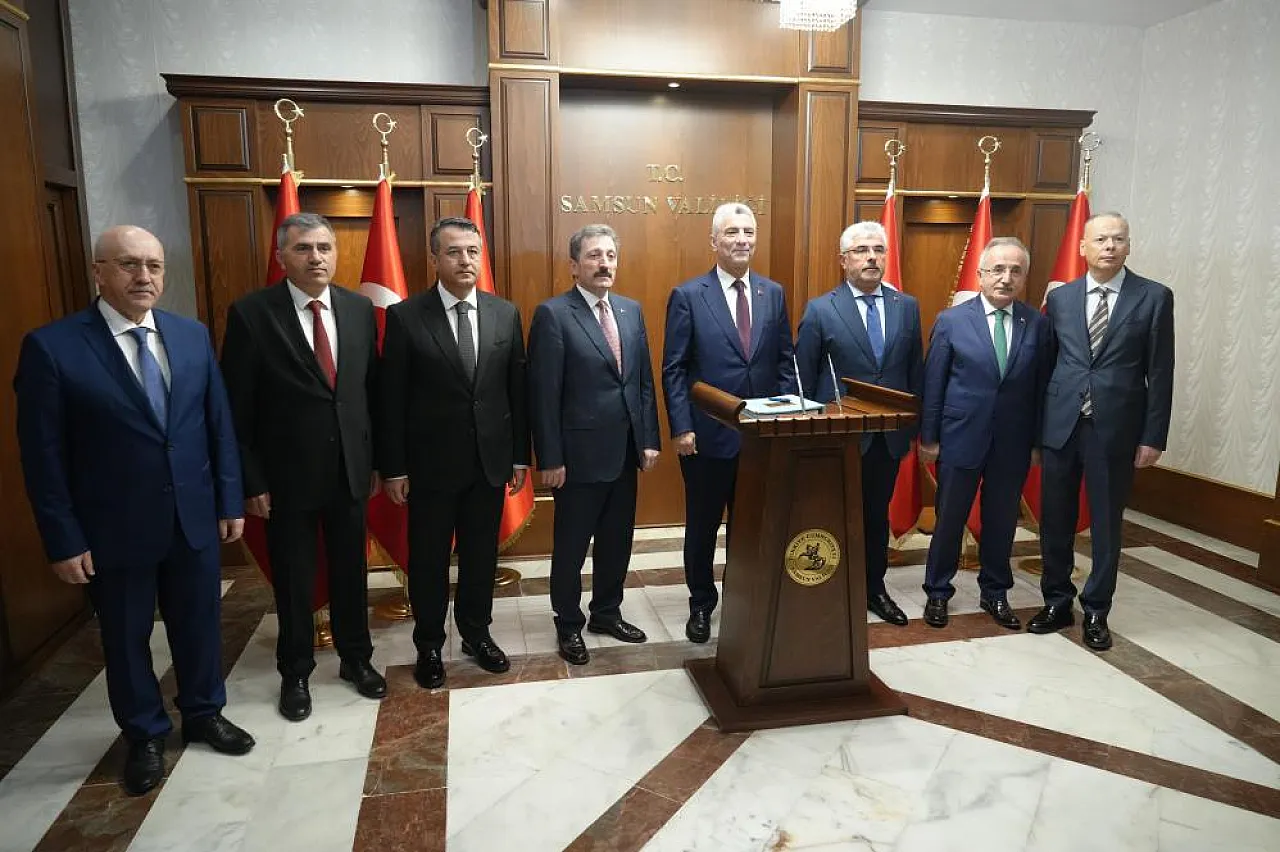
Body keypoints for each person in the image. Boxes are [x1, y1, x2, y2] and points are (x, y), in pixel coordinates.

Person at [14, 225, 254, 797]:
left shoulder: (190, 335)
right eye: (128, 264)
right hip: (112, 527)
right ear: (98, 271)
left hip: (192, 517)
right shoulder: (53, 346)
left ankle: (204, 712)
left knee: (200, 624)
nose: (144, 276)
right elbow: (43, 456)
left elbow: (217, 425)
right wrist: (63, 538)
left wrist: (228, 498)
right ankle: (144, 733)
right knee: (125, 638)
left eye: (154, 265)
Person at [220, 212, 385, 722]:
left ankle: (356, 659)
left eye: (324, 248)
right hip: (285, 479)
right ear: (281, 257)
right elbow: (237, 408)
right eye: (303, 248)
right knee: (294, 579)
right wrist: (251, 480)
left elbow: (370, 393)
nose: (316, 258)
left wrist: (376, 461)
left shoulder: (358, 309)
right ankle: (295, 671)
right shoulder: (252, 314)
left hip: (350, 471)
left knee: (351, 571)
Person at [379, 216, 530, 687]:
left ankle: (476, 634)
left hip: (489, 464)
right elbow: (391, 400)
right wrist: (394, 467)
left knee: (481, 558)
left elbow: (516, 391)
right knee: (428, 562)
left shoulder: (505, 313)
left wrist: (519, 456)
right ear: (434, 259)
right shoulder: (405, 316)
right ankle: (428, 643)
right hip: (429, 468)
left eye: (472, 251)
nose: (465, 260)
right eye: (454, 252)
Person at [1031, 212, 1174, 651]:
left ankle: (1096, 610)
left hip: (1116, 429)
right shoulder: (1061, 298)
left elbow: (1161, 372)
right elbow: (1045, 367)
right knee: (1054, 519)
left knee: (1107, 523)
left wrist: (1153, 437)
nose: (1109, 246)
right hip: (1061, 426)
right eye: (1100, 239)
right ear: (1083, 247)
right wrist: (1037, 434)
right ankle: (1057, 601)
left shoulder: (1154, 297)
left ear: (1128, 246)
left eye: (1117, 239)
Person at [662, 202, 796, 643]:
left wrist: (786, 420)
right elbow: (675, 369)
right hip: (705, 438)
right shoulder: (688, 295)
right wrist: (681, 427)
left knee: (751, 526)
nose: (742, 240)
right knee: (702, 528)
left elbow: (784, 362)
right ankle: (702, 604)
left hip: (761, 439)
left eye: (749, 232)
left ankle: (744, 600)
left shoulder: (773, 293)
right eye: (733, 232)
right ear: (714, 241)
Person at [528, 225, 661, 665]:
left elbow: (642, 382)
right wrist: (550, 457)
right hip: (577, 458)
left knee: (617, 541)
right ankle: (568, 622)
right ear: (574, 265)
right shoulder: (553, 315)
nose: (604, 264)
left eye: (610, 255)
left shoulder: (630, 310)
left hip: (624, 452)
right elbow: (544, 394)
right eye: (593, 256)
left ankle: (606, 612)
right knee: (571, 547)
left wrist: (648, 438)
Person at [794, 221, 923, 627]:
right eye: (862, 250)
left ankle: (873, 589)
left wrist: (914, 429)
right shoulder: (821, 309)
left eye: (878, 250)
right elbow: (803, 379)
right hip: (836, 438)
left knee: (875, 517)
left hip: (887, 438)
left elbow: (914, 372)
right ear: (843, 260)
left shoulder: (907, 306)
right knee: (829, 515)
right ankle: (827, 589)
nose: (871, 257)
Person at [918, 237, 1050, 630]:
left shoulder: (1037, 324)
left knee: (1002, 521)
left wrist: (1037, 442)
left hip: (1013, 442)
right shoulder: (952, 321)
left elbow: (1042, 389)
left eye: (1015, 271)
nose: (1006, 278)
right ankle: (937, 592)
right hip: (960, 437)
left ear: (1024, 277)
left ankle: (995, 592)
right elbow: (934, 383)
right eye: (997, 269)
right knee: (949, 518)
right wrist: (929, 437)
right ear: (980, 275)